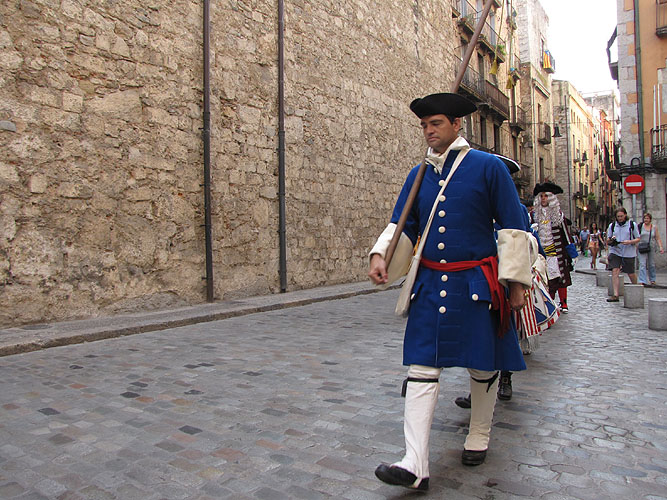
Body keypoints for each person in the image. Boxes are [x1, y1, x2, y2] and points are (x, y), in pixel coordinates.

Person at [368, 92, 533, 490]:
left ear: (457, 125)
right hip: (429, 285)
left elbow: (513, 227)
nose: (428, 131)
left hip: (476, 284)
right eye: (424, 125)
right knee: (422, 366)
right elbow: (402, 224)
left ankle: (479, 432)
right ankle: (415, 463)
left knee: (482, 363)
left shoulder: (489, 167)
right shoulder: (418, 175)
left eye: (436, 123)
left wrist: (516, 284)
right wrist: (381, 255)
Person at [531, 183, 573, 313]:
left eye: (546, 196)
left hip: (555, 251)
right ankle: (548, 303)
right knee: (543, 279)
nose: (544, 198)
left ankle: (563, 303)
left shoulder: (558, 214)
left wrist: (572, 252)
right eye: (542, 196)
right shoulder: (533, 215)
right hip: (540, 252)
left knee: (559, 278)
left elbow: (565, 233)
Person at [606, 207, 640, 302]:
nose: (620, 218)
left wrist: (629, 242)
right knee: (615, 270)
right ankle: (615, 295)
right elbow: (608, 239)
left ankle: (636, 288)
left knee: (631, 273)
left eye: (621, 216)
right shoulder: (612, 226)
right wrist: (611, 240)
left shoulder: (632, 225)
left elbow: (638, 238)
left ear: (625, 215)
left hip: (628, 251)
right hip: (615, 250)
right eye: (618, 216)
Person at [637, 212, 665, 286]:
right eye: (645, 218)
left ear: (650, 219)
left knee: (651, 264)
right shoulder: (640, 226)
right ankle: (642, 280)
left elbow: (657, 238)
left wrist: (660, 247)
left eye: (647, 218)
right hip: (642, 246)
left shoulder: (654, 227)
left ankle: (652, 279)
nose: (646, 220)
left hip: (651, 247)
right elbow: (636, 236)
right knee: (642, 264)